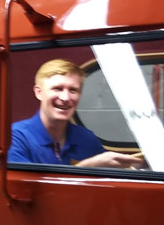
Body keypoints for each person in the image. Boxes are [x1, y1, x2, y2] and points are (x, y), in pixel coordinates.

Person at [8, 58, 142, 168]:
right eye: (57, 89)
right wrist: (86, 167)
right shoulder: (16, 137)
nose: (65, 98)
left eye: (73, 90)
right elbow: (26, 192)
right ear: (39, 92)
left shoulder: (86, 138)